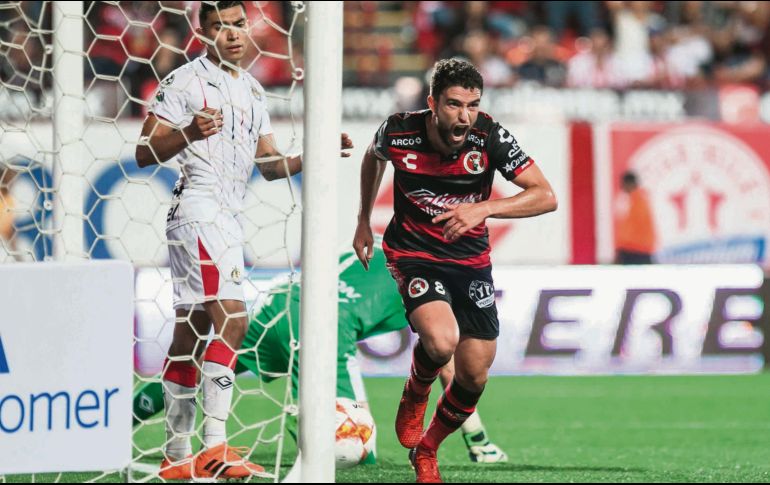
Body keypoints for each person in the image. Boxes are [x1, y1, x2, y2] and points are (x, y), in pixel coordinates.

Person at [135, 1, 352, 479]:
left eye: (237, 24)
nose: (232, 34)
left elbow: (270, 167)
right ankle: (214, 447)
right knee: (233, 318)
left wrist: (313, 153)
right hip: (198, 209)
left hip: (226, 215)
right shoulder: (185, 81)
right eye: (220, 26)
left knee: (190, 331)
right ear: (202, 31)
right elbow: (144, 151)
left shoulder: (252, 88)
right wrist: (189, 132)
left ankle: (175, 456)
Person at [132, 240, 509, 472]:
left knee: (207, 372)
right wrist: (477, 441)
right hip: (328, 324)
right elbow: (444, 359)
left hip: (277, 307)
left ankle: (124, 414)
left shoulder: (382, 247)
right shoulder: (433, 280)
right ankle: (315, 430)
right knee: (359, 449)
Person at [353, 58, 557, 483]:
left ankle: (427, 449)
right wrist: (362, 221)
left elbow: (545, 196)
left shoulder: (490, 135)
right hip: (414, 252)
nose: (464, 116)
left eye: (472, 105)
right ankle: (416, 389)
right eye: (453, 105)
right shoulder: (399, 129)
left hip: (470, 260)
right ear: (432, 103)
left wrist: (485, 208)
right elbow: (373, 159)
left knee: (474, 375)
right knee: (441, 340)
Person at [614, 171, 656, 264]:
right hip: (639, 250)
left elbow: (631, 229)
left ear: (630, 184)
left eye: (623, 185)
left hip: (635, 251)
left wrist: (621, 247)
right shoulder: (638, 200)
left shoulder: (637, 202)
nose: (622, 188)